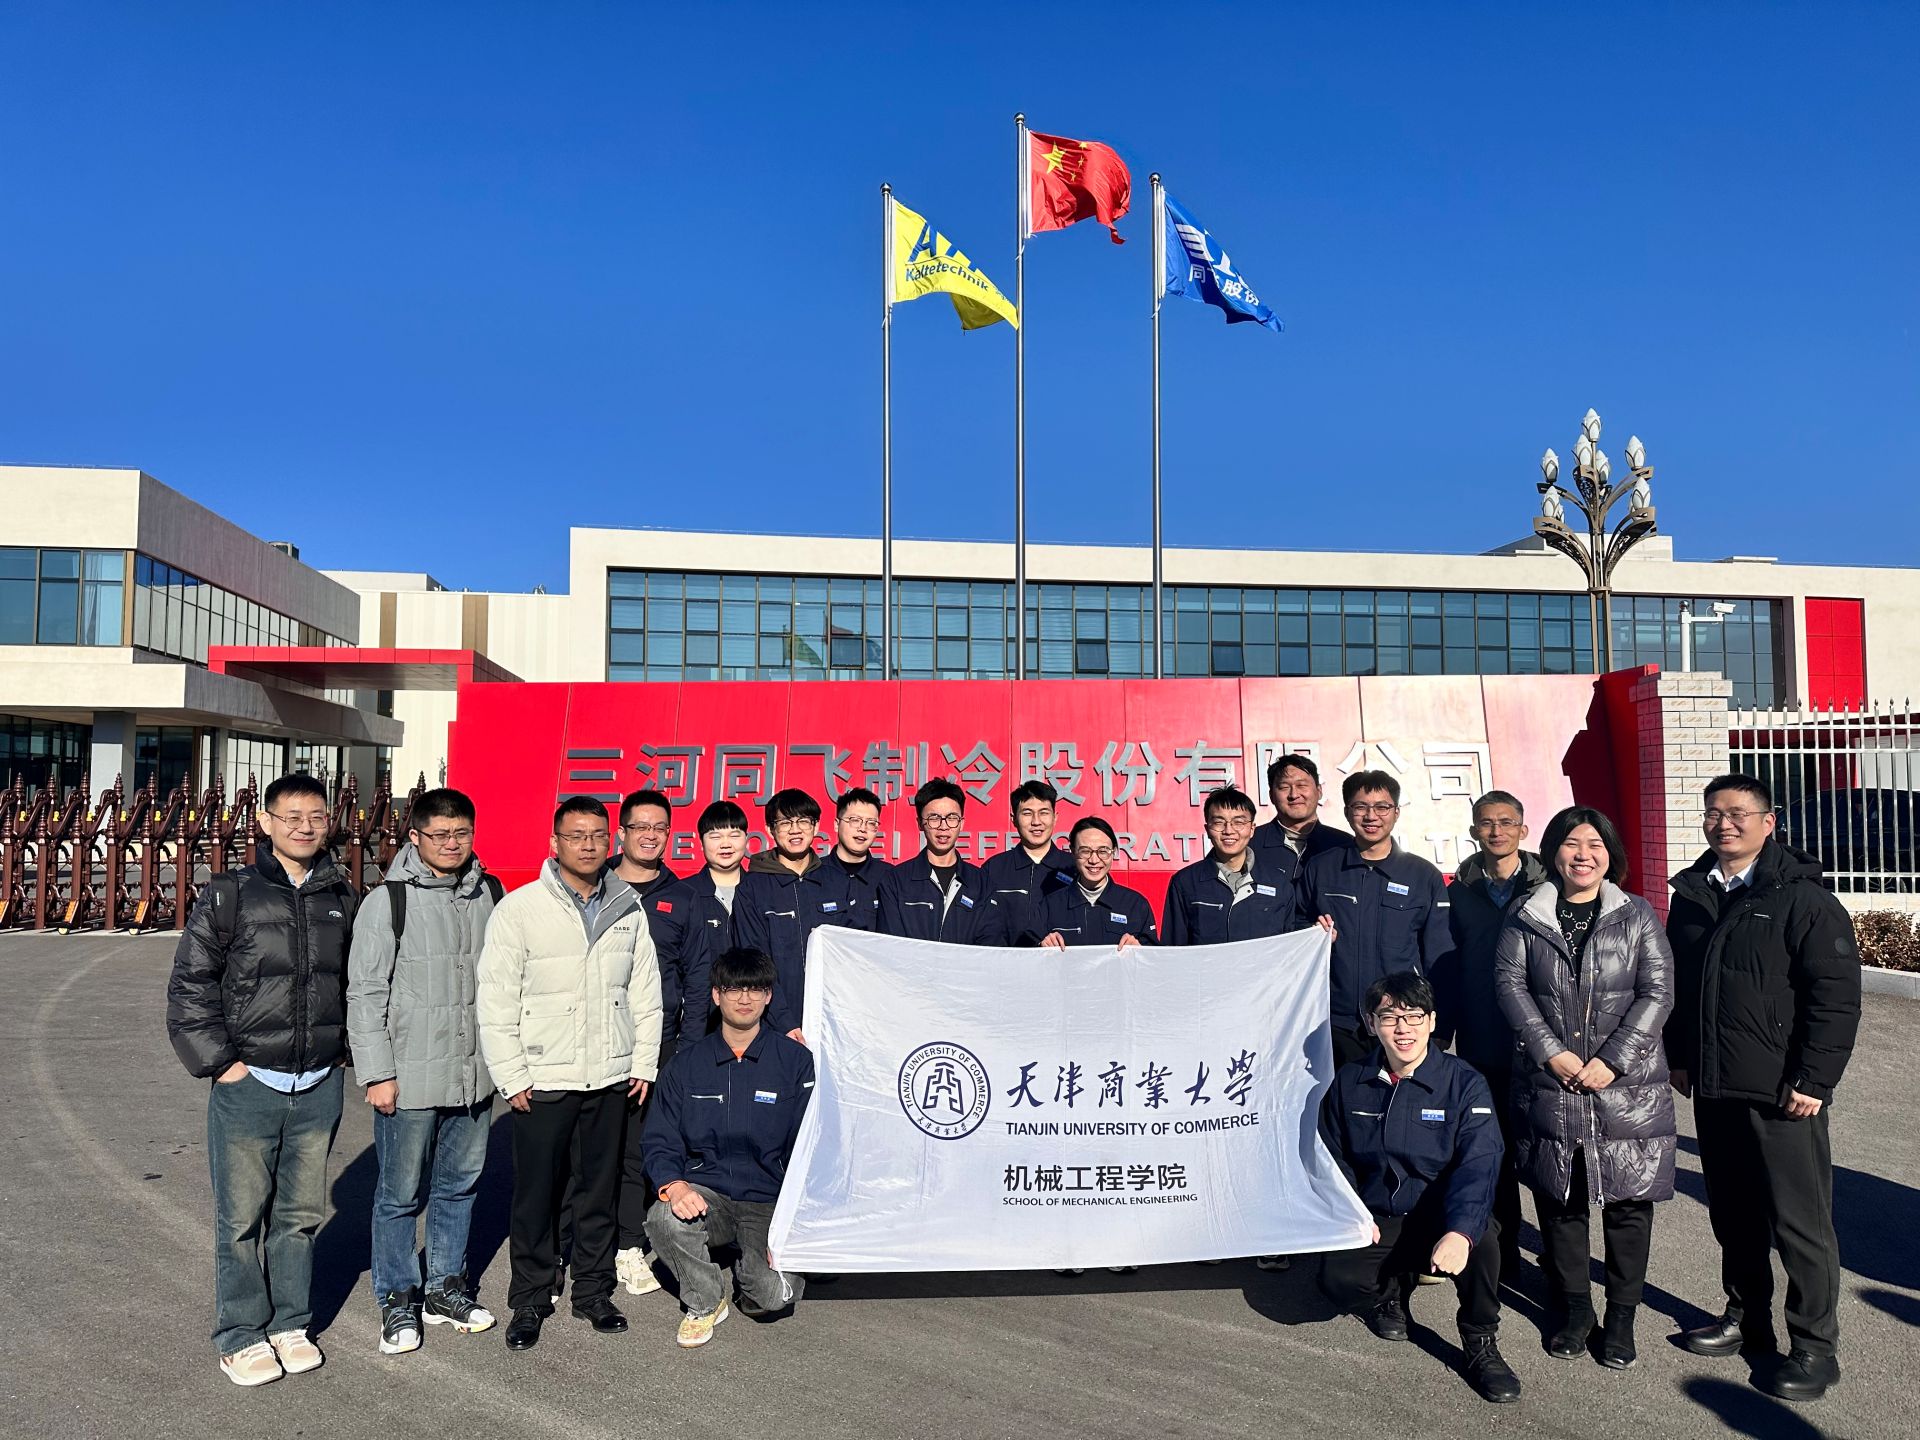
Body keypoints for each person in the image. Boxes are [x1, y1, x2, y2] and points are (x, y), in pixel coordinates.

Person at [1665, 773, 1861, 1402]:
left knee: (1801, 1224)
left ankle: (1814, 1348)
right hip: (1716, 1086)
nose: (1724, 823)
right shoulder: (1693, 895)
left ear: (1768, 822)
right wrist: (1680, 1056)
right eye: (1714, 813)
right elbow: (1679, 988)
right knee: (1734, 1215)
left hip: (1783, 1091)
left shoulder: (1802, 899)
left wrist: (1814, 1078)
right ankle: (1747, 1319)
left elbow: (1835, 998)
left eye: (1738, 813)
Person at [166, 773, 357, 1387]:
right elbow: (191, 986)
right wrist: (222, 1064)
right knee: (241, 1218)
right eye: (291, 816)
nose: (305, 826)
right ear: (266, 822)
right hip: (249, 1081)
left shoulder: (341, 894)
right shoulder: (231, 893)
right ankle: (241, 1333)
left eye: (316, 816)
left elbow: (357, 982)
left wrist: (346, 1054)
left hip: (319, 1081)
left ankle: (290, 1322)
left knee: (298, 1215)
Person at [477, 795, 663, 1350]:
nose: (588, 845)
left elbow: (645, 992)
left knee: (598, 1191)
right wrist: (512, 1075)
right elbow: (496, 998)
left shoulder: (628, 906)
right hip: (543, 1078)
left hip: (609, 1076)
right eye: (576, 835)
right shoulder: (520, 908)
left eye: (597, 836)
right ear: (554, 843)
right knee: (536, 1195)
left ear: (611, 842)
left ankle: (593, 1291)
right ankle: (531, 1297)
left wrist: (642, 1061)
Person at [1495, 805, 1676, 1369]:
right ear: (1553, 852)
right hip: (1553, 1082)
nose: (1583, 855)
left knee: (1628, 1205)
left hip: (1628, 1086)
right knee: (1560, 1201)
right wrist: (1551, 1052)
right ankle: (1575, 1309)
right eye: (1572, 844)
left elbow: (1658, 992)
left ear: (1609, 854)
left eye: (1595, 844)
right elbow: (1509, 984)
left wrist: (1613, 1061)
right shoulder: (1527, 913)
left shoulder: (1636, 914)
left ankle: (1621, 1317)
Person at [346, 787, 502, 1356]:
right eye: (440, 834)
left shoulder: (489, 892)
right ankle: (396, 1295)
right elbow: (365, 993)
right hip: (408, 1077)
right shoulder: (387, 901)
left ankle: (444, 1287)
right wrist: (376, 1073)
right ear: (415, 837)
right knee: (400, 1194)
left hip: (473, 1074)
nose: (452, 844)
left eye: (462, 833)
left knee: (459, 1186)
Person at [1318, 971, 1521, 1404]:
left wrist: (1460, 1231)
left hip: (1441, 1214)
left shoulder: (1464, 1082)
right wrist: (1351, 1214)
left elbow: (1480, 1163)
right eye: (1389, 1017)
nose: (1403, 1028)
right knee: (1337, 1280)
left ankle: (1480, 1338)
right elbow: (1333, 1157)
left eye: (1413, 1016)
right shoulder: (1350, 1081)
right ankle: (1389, 1294)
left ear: (1431, 1021)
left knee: (1483, 1243)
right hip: (1380, 1215)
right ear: (1371, 1023)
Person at [643, 947, 815, 1349]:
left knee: (773, 1297)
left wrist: (797, 1224)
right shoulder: (687, 1064)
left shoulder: (795, 1061)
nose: (745, 998)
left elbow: (811, 1145)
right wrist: (675, 1185)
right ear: (717, 995)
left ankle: (748, 1266)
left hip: (769, 1201)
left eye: (755, 989)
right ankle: (704, 1299)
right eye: (734, 989)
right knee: (663, 1217)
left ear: (768, 996)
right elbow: (660, 1138)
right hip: (711, 1196)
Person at [1442, 789, 1548, 1288]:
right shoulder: (1459, 892)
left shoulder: (1549, 886)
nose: (1496, 831)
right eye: (1487, 823)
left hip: (1543, 1043)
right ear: (1473, 831)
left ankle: (1559, 1255)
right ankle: (1504, 1255)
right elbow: (1448, 961)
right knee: (1493, 1150)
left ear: (1523, 830)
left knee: (1547, 1151)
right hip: (1482, 1038)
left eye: (1507, 822)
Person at [1296, 770, 1455, 1066]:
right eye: (1361, 807)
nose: (1371, 816)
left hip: (1401, 1023)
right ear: (1347, 812)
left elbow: (1439, 956)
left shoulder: (1422, 876)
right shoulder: (1321, 869)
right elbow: (1294, 929)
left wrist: (1442, 1025)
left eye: (1382, 807)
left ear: (1396, 812)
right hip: (1335, 1021)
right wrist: (1313, 933)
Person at [604, 787, 694, 1300]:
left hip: (656, 1043)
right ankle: (577, 1243)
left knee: (638, 1150)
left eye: (660, 828)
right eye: (640, 826)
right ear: (622, 832)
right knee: (588, 1148)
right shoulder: (595, 886)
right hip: (595, 1038)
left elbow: (697, 977)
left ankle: (628, 1244)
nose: (650, 835)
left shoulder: (682, 896)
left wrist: (684, 1047)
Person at [734, 788, 859, 1043]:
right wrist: (784, 1021)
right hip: (775, 1025)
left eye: (803, 821)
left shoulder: (837, 882)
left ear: (816, 826)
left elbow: (852, 954)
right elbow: (754, 962)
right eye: (785, 823)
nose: (795, 830)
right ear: (770, 829)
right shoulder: (752, 888)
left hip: (833, 1022)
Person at [1162, 784, 1301, 945]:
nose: (1229, 830)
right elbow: (1173, 949)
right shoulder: (1185, 882)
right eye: (1219, 822)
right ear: (1207, 829)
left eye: (1238, 822)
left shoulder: (1279, 883)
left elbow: (1290, 947)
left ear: (1252, 829)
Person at [876, 777, 995, 943]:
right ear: (920, 823)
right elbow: (890, 944)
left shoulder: (982, 882)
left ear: (962, 823)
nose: (943, 826)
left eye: (952, 818)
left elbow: (990, 944)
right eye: (934, 818)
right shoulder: (895, 881)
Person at [1028, 817, 1157, 948]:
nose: (1094, 860)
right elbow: (1027, 953)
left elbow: (1155, 956)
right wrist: (1041, 946)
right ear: (1072, 851)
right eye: (1085, 851)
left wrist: (1140, 950)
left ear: (1114, 852)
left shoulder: (1135, 904)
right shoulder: (1050, 905)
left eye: (1103, 851)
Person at [982, 779, 1075, 946]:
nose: (1036, 821)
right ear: (1014, 819)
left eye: (1044, 812)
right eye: (1027, 813)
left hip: (1063, 961)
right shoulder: (993, 869)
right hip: (1005, 961)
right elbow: (978, 925)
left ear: (1055, 817)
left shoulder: (1075, 868)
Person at [1252, 753, 1352, 866]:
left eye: (1302, 786)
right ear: (1271, 796)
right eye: (1284, 787)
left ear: (1319, 791)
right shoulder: (1249, 844)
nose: (1294, 795)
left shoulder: (1344, 845)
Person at [825, 786, 892, 929]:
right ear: (837, 824)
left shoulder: (890, 877)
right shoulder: (814, 874)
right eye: (855, 820)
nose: (863, 828)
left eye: (871, 823)